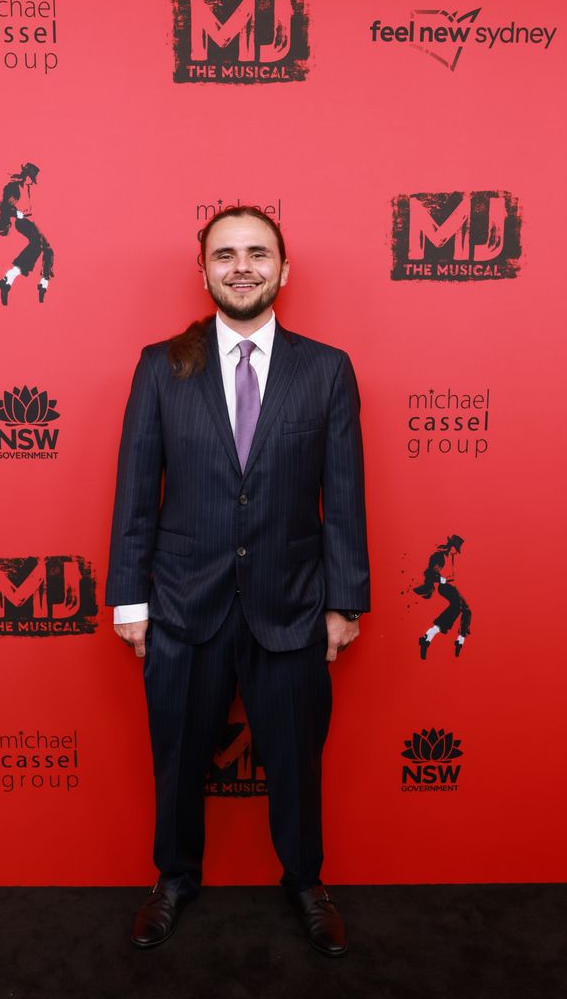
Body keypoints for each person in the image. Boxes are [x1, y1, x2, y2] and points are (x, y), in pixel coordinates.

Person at [106, 206, 370, 956]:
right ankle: (173, 879)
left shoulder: (326, 369)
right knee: (178, 754)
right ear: (204, 272)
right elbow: (135, 492)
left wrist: (344, 600)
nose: (242, 266)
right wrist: (130, 599)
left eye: (258, 252)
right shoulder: (162, 366)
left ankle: (305, 882)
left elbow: (343, 495)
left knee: (293, 757)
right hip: (183, 605)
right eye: (225, 254)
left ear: (283, 270)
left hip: (291, 604)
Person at [0, 162, 54, 305]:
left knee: (47, 248)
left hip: (31, 221)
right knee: (37, 244)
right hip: (23, 222)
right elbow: (4, 205)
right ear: (27, 176)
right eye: (32, 178)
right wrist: (15, 212)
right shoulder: (15, 187)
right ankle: (9, 278)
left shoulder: (27, 187)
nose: (33, 181)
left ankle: (43, 282)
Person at [414, 535, 471, 658]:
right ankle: (428, 636)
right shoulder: (440, 556)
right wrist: (441, 579)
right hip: (444, 587)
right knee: (457, 606)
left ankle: (460, 640)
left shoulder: (450, 557)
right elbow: (429, 572)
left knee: (466, 609)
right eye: (457, 548)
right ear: (452, 547)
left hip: (451, 587)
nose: (458, 551)